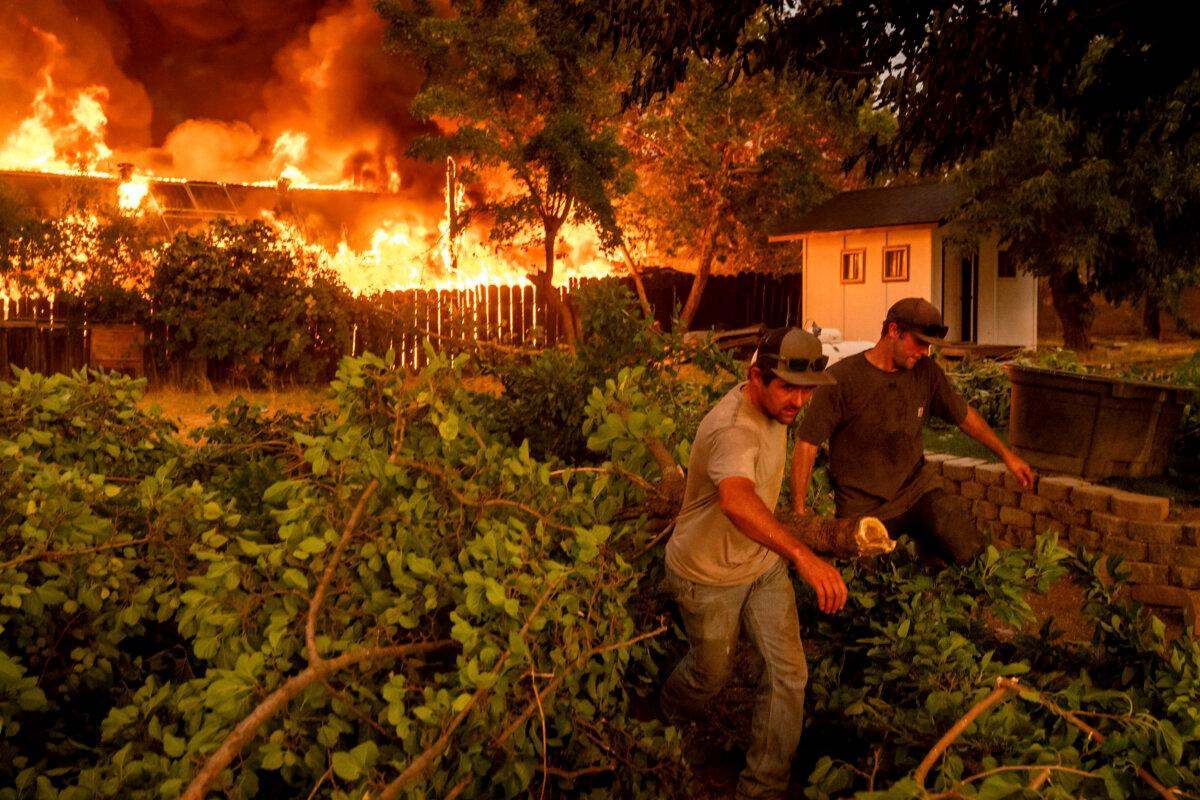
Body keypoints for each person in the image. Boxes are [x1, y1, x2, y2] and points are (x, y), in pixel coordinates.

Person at [661, 326, 848, 800]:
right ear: (756, 377)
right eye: (787, 387)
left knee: (789, 674)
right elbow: (738, 502)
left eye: (806, 389)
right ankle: (662, 723)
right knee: (710, 675)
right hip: (707, 575)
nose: (798, 401)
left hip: (761, 566)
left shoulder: (777, 409)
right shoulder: (734, 429)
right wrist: (804, 556)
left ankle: (762, 789)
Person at [791, 297, 1034, 564]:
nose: (925, 352)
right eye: (919, 343)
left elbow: (963, 416)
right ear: (893, 331)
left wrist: (1006, 455)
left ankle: (935, 567)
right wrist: (799, 512)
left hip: (917, 489)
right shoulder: (841, 379)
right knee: (867, 587)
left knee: (970, 552)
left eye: (929, 346)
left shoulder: (926, 372)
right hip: (862, 505)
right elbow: (807, 444)